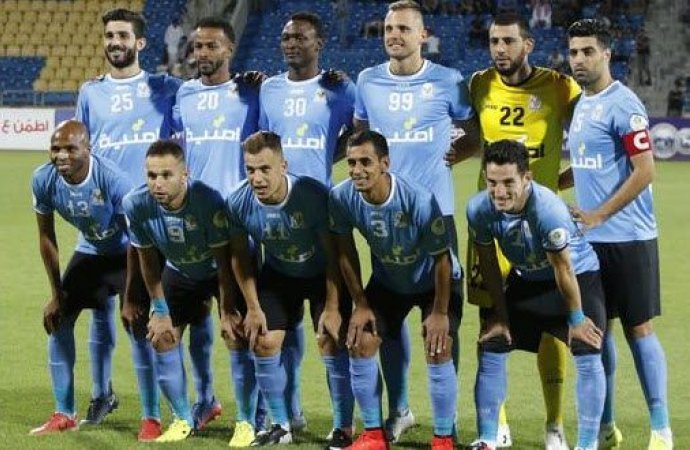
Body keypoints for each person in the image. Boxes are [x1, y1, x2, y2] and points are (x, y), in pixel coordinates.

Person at [454, 12, 582, 449]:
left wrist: (564, 180)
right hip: (490, 225)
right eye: (494, 41)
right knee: (490, 319)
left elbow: (592, 139)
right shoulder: (479, 84)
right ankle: (498, 424)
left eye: (508, 41)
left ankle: (554, 424)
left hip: (541, 225)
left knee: (551, 325)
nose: (499, 49)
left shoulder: (559, 87)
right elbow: (475, 137)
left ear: (528, 44)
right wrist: (450, 154)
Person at [354, 0, 479, 442]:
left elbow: (475, 135)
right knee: (388, 319)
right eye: (389, 28)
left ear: (423, 35)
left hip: (435, 219)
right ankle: (400, 410)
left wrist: (452, 157)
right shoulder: (367, 81)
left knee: (444, 325)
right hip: (384, 221)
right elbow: (360, 137)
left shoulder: (448, 80)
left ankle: (448, 420)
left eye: (404, 28)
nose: (394, 35)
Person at [74, 8, 182, 441]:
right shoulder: (89, 92)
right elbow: (81, 150)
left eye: (122, 35)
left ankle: (164, 410)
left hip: (151, 223)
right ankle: (102, 394)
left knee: (147, 318)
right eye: (109, 35)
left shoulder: (165, 88)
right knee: (98, 311)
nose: (114, 42)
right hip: (102, 223)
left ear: (140, 43)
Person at [567, 18, 673, 450]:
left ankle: (661, 429)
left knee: (639, 329)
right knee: (597, 332)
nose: (578, 59)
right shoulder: (581, 103)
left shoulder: (624, 104)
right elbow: (587, 164)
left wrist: (598, 215)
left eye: (587, 51)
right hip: (589, 243)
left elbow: (645, 170)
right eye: (573, 52)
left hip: (629, 238)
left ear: (606, 54)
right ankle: (607, 426)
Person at [466, 139, 606, 450]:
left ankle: (586, 444)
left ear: (526, 178)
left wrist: (577, 319)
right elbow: (488, 264)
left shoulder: (548, 210)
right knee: (493, 341)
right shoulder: (478, 209)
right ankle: (487, 438)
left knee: (586, 345)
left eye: (508, 183)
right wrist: (500, 315)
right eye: (492, 182)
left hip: (576, 277)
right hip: (526, 278)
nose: (499, 192)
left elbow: (563, 269)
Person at [329, 130, 462, 450]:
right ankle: (373, 435)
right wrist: (360, 303)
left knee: (438, 345)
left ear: (385, 163)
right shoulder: (341, 197)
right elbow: (345, 252)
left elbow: (442, 260)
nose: (357, 170)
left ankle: (443, 438)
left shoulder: (418, 199)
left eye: (365, 162)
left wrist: (440, 312)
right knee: (359, 341)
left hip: (434, 282)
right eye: (351, 163)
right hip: (389, 281)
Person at [224, 131, 354, 449]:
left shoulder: (312, 195)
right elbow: (240, 257)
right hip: (279, 273)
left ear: (283, 166)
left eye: (264, 169)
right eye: (250, 169)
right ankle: (280, 425)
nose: (257, 178)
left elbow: (334, 254)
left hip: (322, 274)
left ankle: (343, 427)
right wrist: (252, 307)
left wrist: (333, 307)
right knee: (263, 340)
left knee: (330, 340)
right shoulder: (238, 202)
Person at [258, 11, 356, 431]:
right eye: (286, 37)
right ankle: (288, 415)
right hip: (277, 223)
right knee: (278, 330)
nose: (291, 44)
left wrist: (326, 157)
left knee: (332, 335)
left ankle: (343, 424)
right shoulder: (268, 89)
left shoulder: (340, 89)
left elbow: (359, 135)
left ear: (319, 43)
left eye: (300, 37)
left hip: (320, 222)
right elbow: (262, 144)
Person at [171, 16, 262, 446]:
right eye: (196, 47)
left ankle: (254, 414)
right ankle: (206, 400)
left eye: (211, 46)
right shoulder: (184, 94)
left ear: (230, 50)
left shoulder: (251, 92)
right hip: (195, 226)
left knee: (242, 327)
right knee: (194, 321)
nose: (202, 53)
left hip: (240, 226)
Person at [29, 121, 141, 435]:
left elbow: (137, 241)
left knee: (140, 326)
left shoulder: (113, 179)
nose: (61, 155)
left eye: (70, 148)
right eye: (55, 148)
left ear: (88, 149)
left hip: (126, 252)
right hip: (90, 250)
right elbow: (46, 237)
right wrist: (57, 294)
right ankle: (64, 412)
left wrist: (132, 296)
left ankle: (154, 416)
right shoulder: (43, 179)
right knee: (59, 319)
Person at [122, 140, 235, 442]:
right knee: (161, 336)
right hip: (180, 270)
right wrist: (160, 311)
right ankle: (183, 419)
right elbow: (148, 262)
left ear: (185, 174)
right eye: (151, 175)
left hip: (217, 270)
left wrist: (227, 310)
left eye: (166, 175)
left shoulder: (207, 200)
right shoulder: (136, 203)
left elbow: (225, 262)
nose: (157, 183)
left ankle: (254, 419)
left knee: (239, 334)